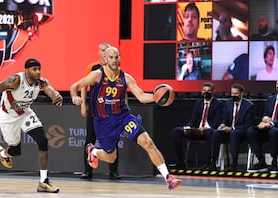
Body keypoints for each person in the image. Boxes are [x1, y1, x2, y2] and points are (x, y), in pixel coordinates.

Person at [70, 47, 182, 190]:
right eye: (111, 57)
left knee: (147, 142)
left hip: (123, 117)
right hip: (104, 122)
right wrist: (75, 96)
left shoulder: (126, 78)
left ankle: (168, 178)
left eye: (116, 57)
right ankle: (92, 151)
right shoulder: (97, 75)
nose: (114, 60)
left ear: (120, 58)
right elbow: (75, 86)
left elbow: (141, 96)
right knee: (111, 157)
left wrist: (156, 98)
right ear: (105, 59)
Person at [0, 58, 63, 193]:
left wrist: (56, 96)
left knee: (43, 141)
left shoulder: (41, 82)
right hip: (8, 117)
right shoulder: (15, 80)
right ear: (26, 70)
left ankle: (43, 181)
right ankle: (3, 153)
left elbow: (50, 90)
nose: (38, 72)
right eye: (35, 69)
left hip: (24, 113)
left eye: (39, 69)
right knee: (15, 151)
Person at [80, 42, 121, 180]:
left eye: (107, 50)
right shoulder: (92, 67)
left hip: (111, 108)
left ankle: (114, 172)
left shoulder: (115, 69)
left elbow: (122, 88)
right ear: (99, 52)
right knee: (90, 139)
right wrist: (83, 105)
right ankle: (88, 171)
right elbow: (84, 86)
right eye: (102, 50)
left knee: (113, 139)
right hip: (95, 108)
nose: (105, 53)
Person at [171, 82, 223, 170]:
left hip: (209, 131)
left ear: (213, 92)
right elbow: (193, 120)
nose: (206, 92)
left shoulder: (218, 104)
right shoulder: (198, 103)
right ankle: (180, 162)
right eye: (204, 91)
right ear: (201, 92)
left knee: (211, 132)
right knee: (176, 131)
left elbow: (217, 122)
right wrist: (188, 127)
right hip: (197, 130)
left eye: (209, 91)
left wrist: (206, 128)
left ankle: (209, 163)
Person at [212, 83, 254, 172]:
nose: (233, 95)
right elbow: (225, 119)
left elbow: (248, 125)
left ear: (241, 93)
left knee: (234, 133)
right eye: (232, 93)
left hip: (241, 133)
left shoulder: (249, 106)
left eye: (236, 93)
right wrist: (223, 124)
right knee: (216, 133)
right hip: (229, 131)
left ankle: (234, 164)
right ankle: (212, 162)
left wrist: (232, 129)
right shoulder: (228, 103)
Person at [246, 80, 278, 173]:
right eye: (277, 84)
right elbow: (266, 114)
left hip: (275, 128)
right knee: (251, 130)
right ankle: (261, 160)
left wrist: (271, 124)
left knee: (274, 131)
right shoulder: (271, 99)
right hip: (268, 127)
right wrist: (264, 119)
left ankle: (274, 162)